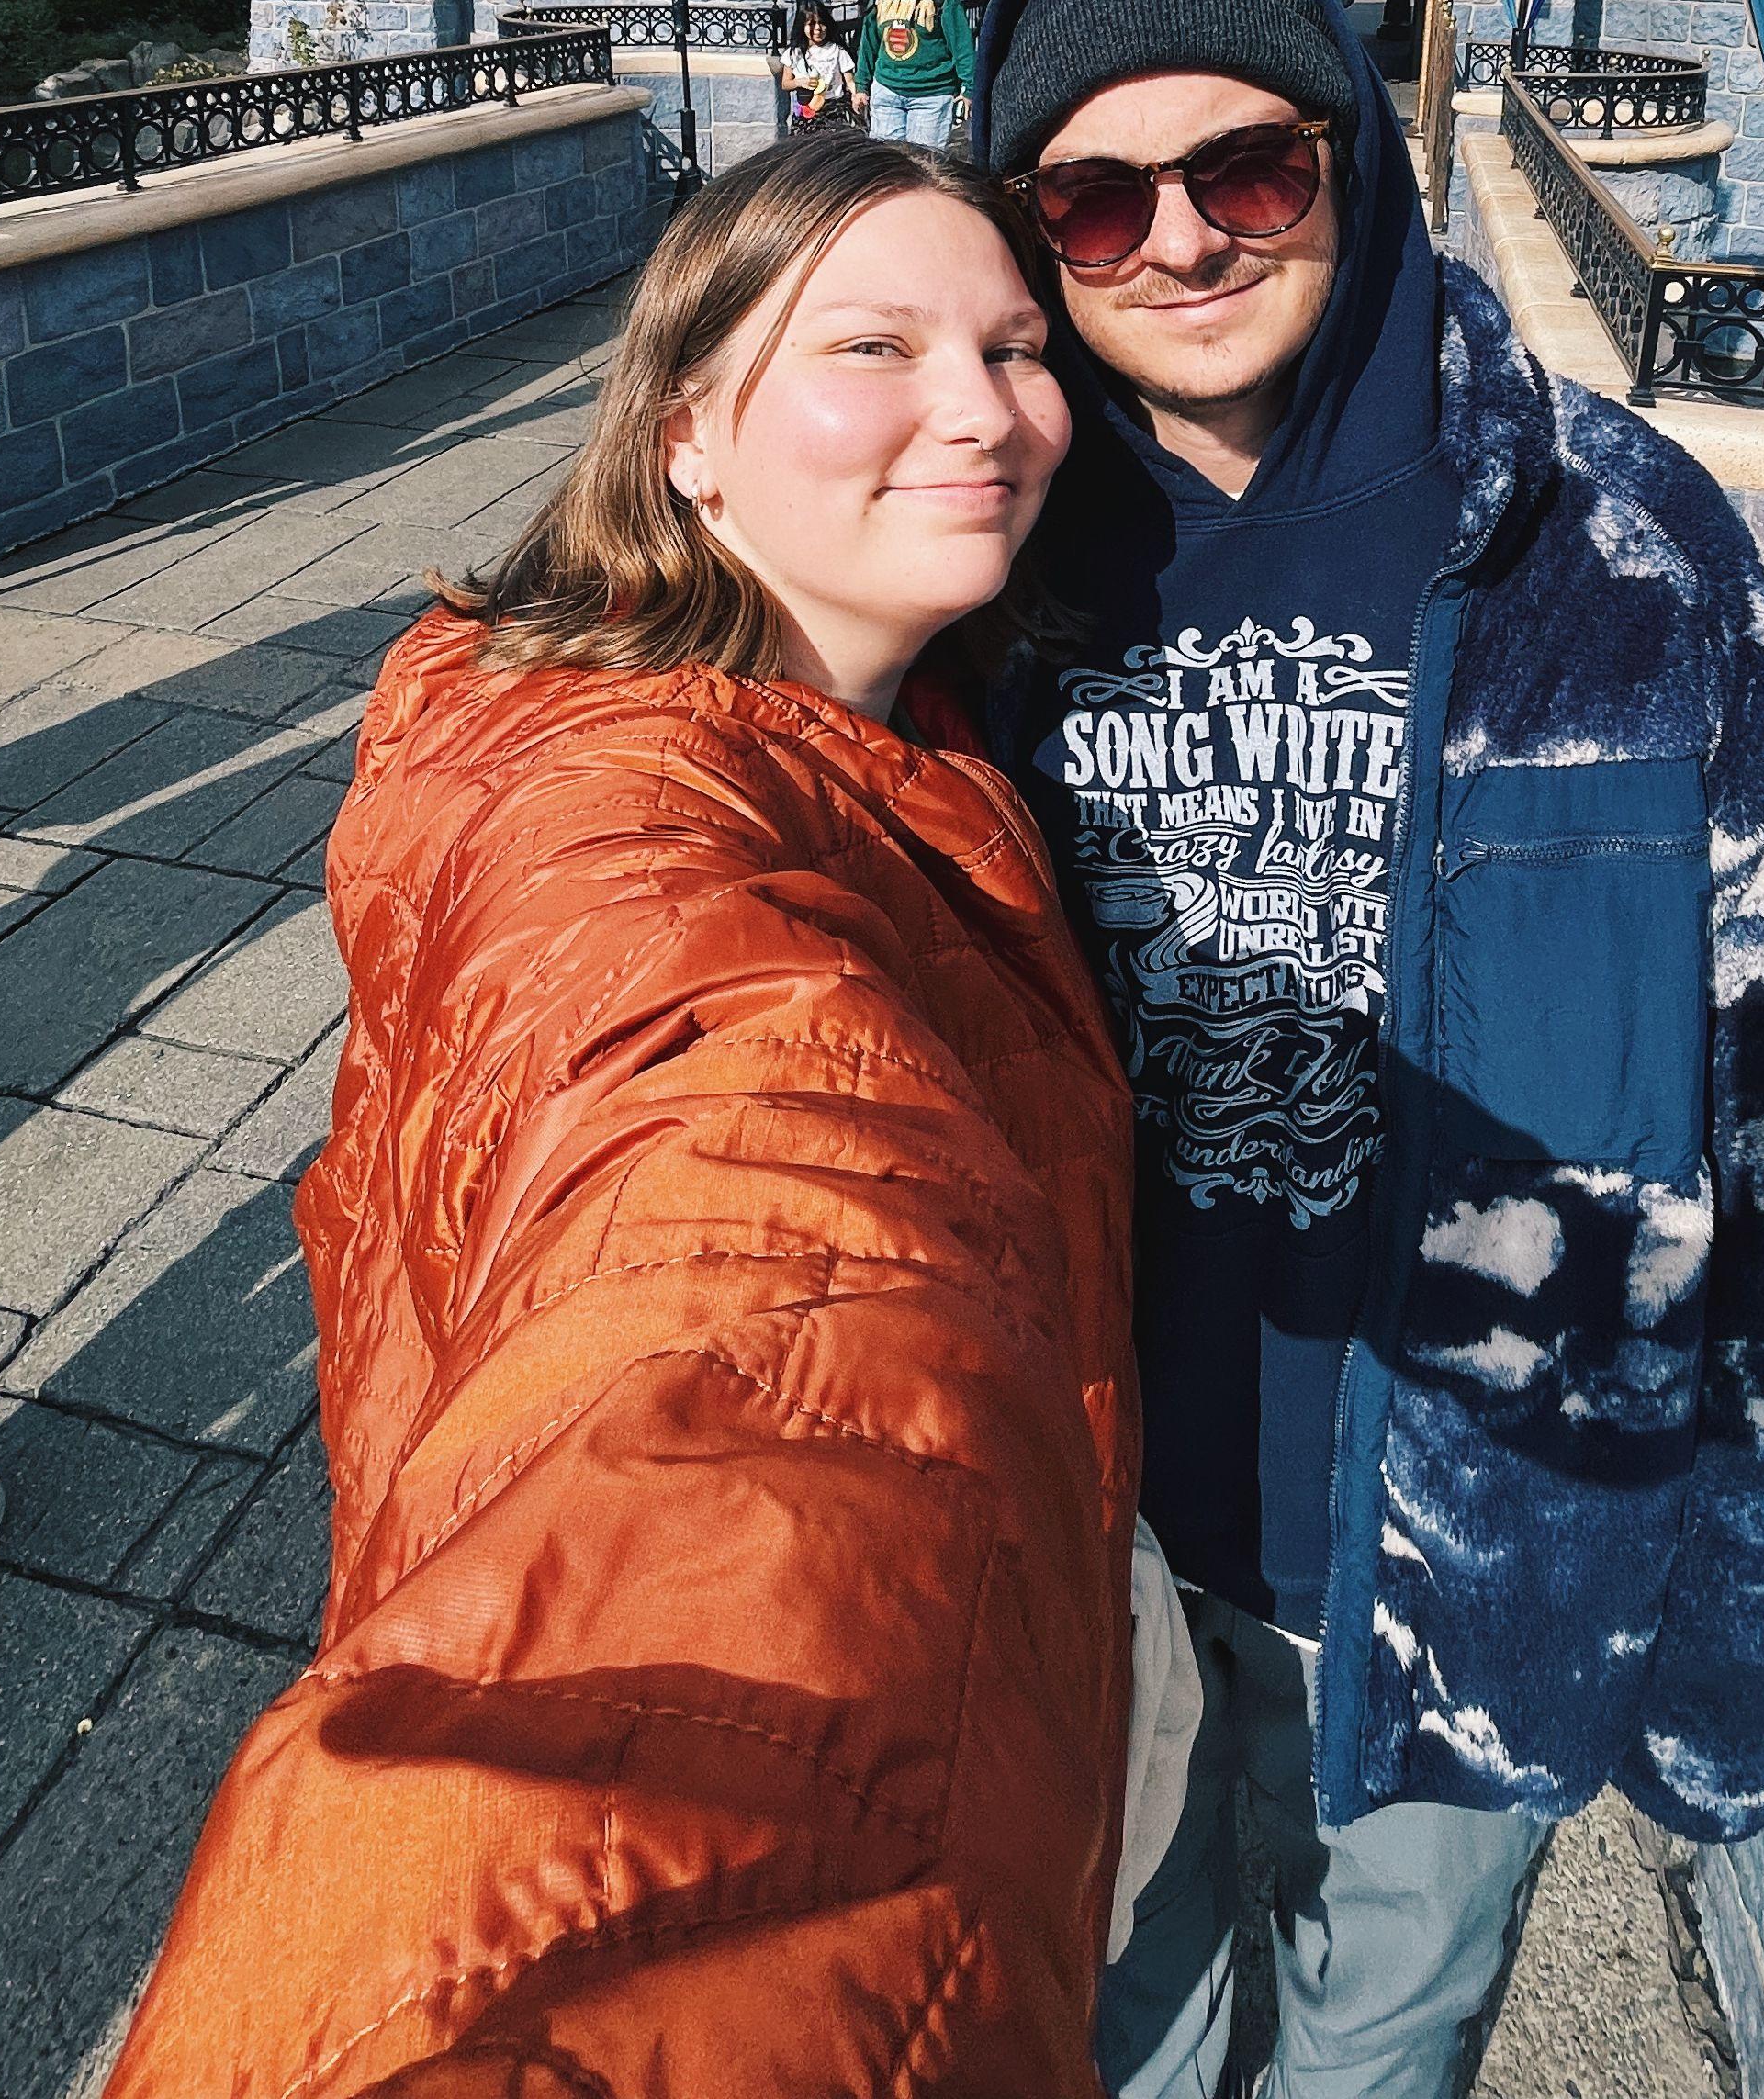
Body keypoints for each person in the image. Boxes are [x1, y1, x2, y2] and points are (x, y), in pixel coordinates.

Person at [104, 133, 1146, 2099]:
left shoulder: (884, 724)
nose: (983, 411)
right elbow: (748, 1246)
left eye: (1016, 347)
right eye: (874, 346)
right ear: (688, 435)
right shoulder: (622, 815)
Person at [972, 0, 1764, 2099]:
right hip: (1086, 1535)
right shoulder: (979, 560)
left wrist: (1754, 1631)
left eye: (1247, 170)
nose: (1180, 244)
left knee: (1374, 2058)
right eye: (1095, 202)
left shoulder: (1625, 560)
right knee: (1116, 2041)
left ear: (1348, 151)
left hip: (1481, 1560)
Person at [858, 0, 976, 150]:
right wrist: (861, 86)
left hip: (931, 96)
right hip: (886, 91)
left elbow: (962, 45)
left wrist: (968, 90)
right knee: (887, 161)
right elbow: (869, 42)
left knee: (923, 162)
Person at [775, 0, 857, 129]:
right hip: (805, 109)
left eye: (822, 23)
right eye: (812, 24)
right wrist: (800, 82)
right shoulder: (794, 52)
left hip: (833, 108)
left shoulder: (837, 51)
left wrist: (857, 95)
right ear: (802, 26)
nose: (818, 28)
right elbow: (785, 83)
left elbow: (849, 81)